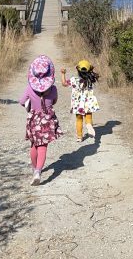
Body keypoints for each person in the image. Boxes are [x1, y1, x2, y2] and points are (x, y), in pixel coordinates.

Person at [19, 55, 63, 185]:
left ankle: (35, 170)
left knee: (34, 145)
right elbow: (54, 101)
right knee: (43, 147)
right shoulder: (53, 89)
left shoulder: (29, 88)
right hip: (47, 120)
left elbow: (21, 102)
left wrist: (30, 104)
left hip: (33, 120)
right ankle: (38, 171)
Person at [60, 59, 100, 142]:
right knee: (88, 118)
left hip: (78, 104)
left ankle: (79, 137)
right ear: (89, 70)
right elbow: (92, 72)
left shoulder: (74, 80)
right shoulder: (90, 79)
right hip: (88, 102)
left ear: (78, 70)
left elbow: (64, 84)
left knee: (79, 120)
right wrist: (91, 68)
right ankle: (89, 125)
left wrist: (63, 74)